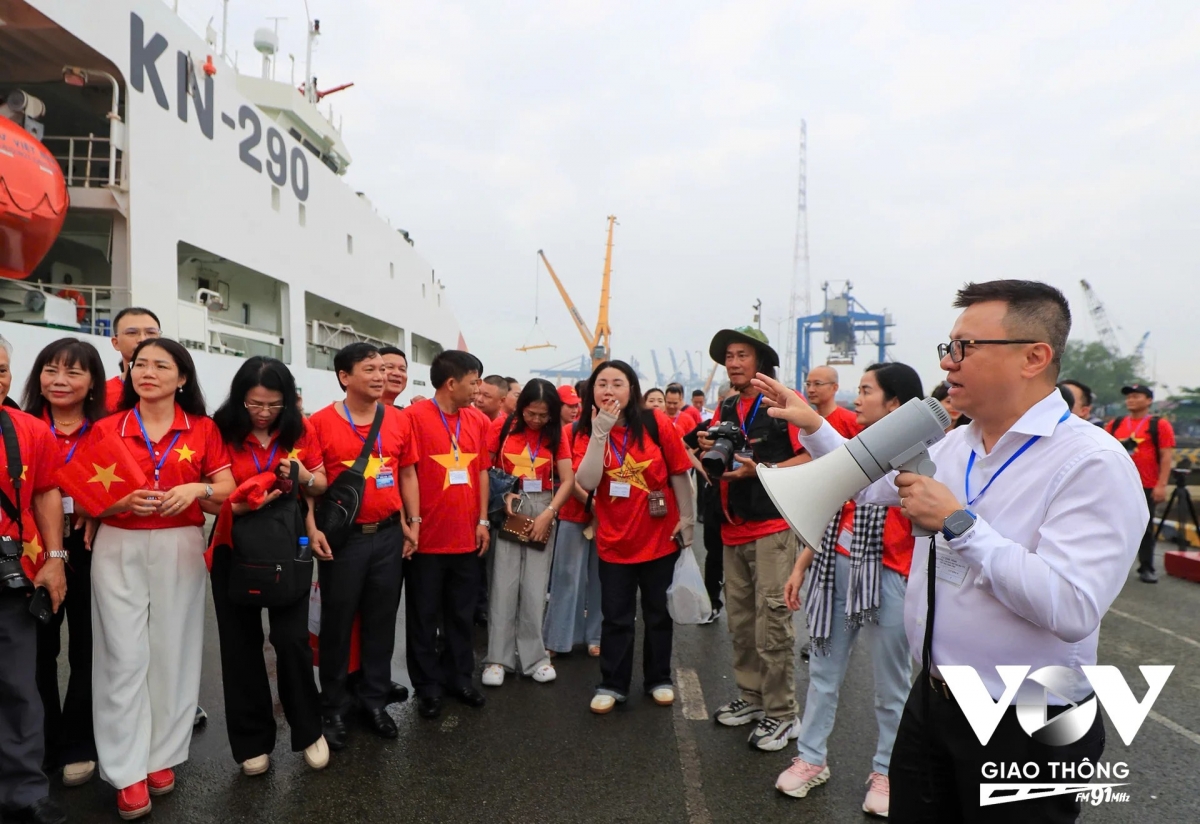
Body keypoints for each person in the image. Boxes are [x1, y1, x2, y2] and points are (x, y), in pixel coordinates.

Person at [757, 279, 1146, 823]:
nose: (948, 363)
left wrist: (961, 525)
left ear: (1034, 357)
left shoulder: (1091, 463)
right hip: (936, 698)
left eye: (965, 348)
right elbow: (871, 486)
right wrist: (816, 427)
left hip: (1029, 716)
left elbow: (1072, 608)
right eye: (948, 346)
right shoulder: (958, 441)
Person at [91, 338, 235, 820]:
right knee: (123, 655)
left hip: (180, 544)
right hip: (119, 544)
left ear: (183, 378)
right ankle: (126, 770)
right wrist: (120, 502)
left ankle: (161, 756)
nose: (146, 372)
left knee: (172, 651)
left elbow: (227, 490)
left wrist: (198, 487)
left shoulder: (204, 429)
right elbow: (84, 498)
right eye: (139, 364)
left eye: (160, 365)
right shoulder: (108, 427)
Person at [775, 362, 923, 816]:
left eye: (866, 390)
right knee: (822, 674)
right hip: (835, 568)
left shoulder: (922, 452)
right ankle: (811, 758)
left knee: (890, 687)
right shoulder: (856, 446)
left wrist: (814, 424)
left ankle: (887, 770)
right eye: (856, 389)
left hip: (888, 576)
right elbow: (837, 508)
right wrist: (804, 564)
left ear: (895, 404)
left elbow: (863, 486)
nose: (856, 399)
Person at [209, 357, 330, 774]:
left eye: (273, 405)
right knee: (240, 645)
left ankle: (309, 729)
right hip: (234, 543)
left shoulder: (300, 430)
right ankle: (252, 743)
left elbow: (321, 481)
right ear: (239, 398)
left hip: (288, 544)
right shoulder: (219, 430)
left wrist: (300, 474)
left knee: (292, 639)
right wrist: (247, 501)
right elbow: (211, 495)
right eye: (254, 404)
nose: (262, 413)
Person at [699, 327, 811, 752]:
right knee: (741, 621)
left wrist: (760, 470)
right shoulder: (727, 405)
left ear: (761, 360)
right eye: (728, 355)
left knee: (773, 622)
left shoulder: (784, 402)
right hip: (732, 526)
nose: (732, 362)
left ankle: (783, 715)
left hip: (771, 528)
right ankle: (752, 698)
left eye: (741, 354)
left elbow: (813, 455)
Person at [307, 343, 420, 749]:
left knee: (381, 620)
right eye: (370, 369)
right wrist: (311, 529)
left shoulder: (398, 420)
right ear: (344, 376)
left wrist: (413, 522)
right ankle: (334, 706)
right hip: (344, 540)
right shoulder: (318, 423)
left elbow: (406, 473)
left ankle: (374, 700)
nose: (380, 375)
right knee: (337, 624)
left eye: (383, 368)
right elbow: (311, 487)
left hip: (389, 534)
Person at [574, 360, 694, 714]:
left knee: (658, 613)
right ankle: (612, 683)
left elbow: (679, 471)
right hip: (614, 540)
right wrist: (600, 432)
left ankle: (659, 678)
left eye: (617, 383)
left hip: (659, 537)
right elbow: (588, 481)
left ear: (632, 390)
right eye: (602, 384)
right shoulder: (586, 430)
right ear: (592, 391)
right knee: (616, 616)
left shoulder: (656, 423)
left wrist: (687, 518)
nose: (609, 391)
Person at [24, 338, 106, 790]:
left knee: (89, 649)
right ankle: (44, 743)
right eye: (51, 369)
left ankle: (79, 743)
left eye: (73, 372)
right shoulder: (21, 426)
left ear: (93, 382)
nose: (60, 380)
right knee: (38, 647)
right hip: (34, 548)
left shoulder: (109, 430)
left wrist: (100, 505)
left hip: (95, 545)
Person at [0, 336, 69, 824]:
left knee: (19, 688)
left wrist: (56, 558)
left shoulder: (28, 430)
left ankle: (23, 793)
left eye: (1, 370)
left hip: (11, 576)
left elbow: (47, 493)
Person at [402, 351, 491, 720]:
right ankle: (428, 686)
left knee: (461, 613)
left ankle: (460, 678)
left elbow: (483, 472)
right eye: (474, 381)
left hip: (466, 537)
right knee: (423, 615)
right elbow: (406, 472)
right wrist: (412, 522)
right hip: (427, 540)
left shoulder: (478, 420)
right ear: (451, 383)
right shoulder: (413, 419)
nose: (478, 389)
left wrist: (483, 520)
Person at [482, 379, 574, 686]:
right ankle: (498, 658)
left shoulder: (557, 435)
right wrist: (499, 500)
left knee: (535, 587)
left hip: (544, 508)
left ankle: (535, 657)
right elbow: (488, 470)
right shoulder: (502, 427)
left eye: (542, 415)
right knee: (503, 584)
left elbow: (568, 479)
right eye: (531, 413)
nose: (535, 420)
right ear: (521, 408)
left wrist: (550, 513)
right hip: (511, 506)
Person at [543, 393, 602, 659]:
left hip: (611, 516)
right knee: (566, 577)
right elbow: (568, 475)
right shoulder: (570, 432)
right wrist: (589, 503)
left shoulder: (622, 434)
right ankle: (558, 637)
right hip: (572, 512)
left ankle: (596, 636)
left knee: (601, 579)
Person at [1105, 384, 1174, 584]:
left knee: (1145, 527)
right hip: (1117, 484)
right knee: (1111, 525)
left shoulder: (1159, 425)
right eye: (1129, 397)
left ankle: (1147, 567)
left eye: (1136, 396)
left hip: (1146, 484)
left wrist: (1162, 485)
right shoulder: (1116, 424)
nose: (1131, 400)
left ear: (1148, 400)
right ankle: (1109, 568)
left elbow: (1166, 455)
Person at [104, 307, 161, 414]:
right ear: (116, 343)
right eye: (132, 333)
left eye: (151, 332)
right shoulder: (101, 393)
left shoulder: (173, 389)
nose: (143, 339)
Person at [803, 366, 860, 436]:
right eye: (808, 384)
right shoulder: (807, 421)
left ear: (834, 387)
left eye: (817, 384)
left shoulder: (852, 421)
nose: (810, 390)